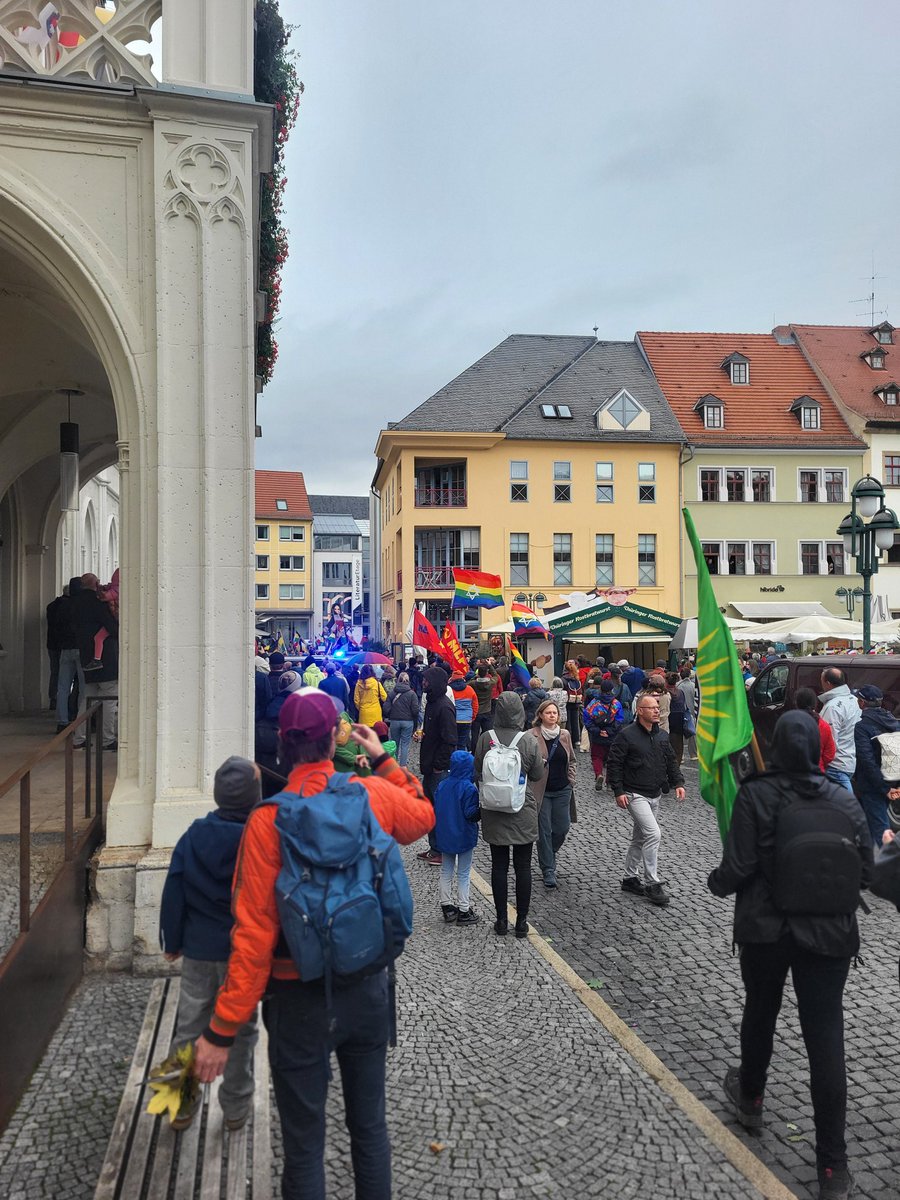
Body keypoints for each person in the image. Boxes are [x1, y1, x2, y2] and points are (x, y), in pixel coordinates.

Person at [193, 689, 435, 1200]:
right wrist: (383, 757)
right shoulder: (369, 794)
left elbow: (253, 937)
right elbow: (422, 817)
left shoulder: (265, 822)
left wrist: (222, 1029)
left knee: (304, 1146)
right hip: (367, 988)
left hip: (296, 998)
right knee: (369, 1128)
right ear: (333, 741)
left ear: (283, 743)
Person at [707, 712, 873, 1200]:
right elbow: (864, 871)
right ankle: (832, 1166)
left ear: (776, 744)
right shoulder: (844, 798)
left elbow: (737, 866)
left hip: (765, 928)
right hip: (829, 933)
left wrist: (716, 883)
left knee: (761, 1011)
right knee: (826, 1037)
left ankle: (752, 1096)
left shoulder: (756, 794)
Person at [159, 757, 262, 1130]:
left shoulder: (194, 834)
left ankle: (180, 1104)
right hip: (241, 952)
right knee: (243, 1028)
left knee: (188, 1024)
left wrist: (172, 938)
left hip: (200, 947)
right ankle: (235, 1106)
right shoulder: (257, 836)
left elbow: (175, 889)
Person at [473, 692, 545, 937]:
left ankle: (501, 920)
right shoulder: (527, 740)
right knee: (523, 866)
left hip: (493, 810)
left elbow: (477, 771)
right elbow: (536, 775)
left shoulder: (485, 738)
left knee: (499, 866)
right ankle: (522, 922)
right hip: (521, 809)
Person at [606, 692, 685, 907]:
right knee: (654, 834)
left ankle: (630, 878)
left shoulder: (661, 735)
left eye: (658, 707)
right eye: (652, 707)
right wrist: (618, 790)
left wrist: (678, 783)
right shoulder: (627, 735)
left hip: (655, 793)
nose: (657, 710)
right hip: (634, 793)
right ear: (640, 711)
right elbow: (614, 763)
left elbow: (670, 760)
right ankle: (652, 883)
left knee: (640, 838)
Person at [529, 699, 577, 889]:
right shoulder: (531, 736)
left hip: (562, 789)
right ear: (540, 715)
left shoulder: (564, 734)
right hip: (541, 791)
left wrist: (571, 780)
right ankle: (548, 868)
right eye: (548, 712)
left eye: (554, 713)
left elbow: (572, 760)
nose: (552, 715)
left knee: (562, 828)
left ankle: (549, 853)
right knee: (544, 831)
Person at [433, 750, 481, 926]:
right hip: (463, 835)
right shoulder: (469, 788)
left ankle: (446, 906)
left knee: (446, 870)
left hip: (445, 834)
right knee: (463, 872)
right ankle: (464, 909)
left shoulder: (443, 785)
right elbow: (470, 814)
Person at [72, 572, 118, 750]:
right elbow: (110, 625)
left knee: (87, 699)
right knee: (109, 697)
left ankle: (79, 738)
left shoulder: (75, 603)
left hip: (86, 656)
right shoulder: (98, 602)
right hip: (105, 657)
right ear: (96, 583)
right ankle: (107, 740)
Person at [418, 665, 458, 866]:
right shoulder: (432, 703)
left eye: (425, 680)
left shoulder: (444, 706)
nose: (423, 682)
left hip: (437, 769)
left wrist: (438, 765)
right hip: (429, 766)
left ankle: (442, 851)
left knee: (440, 811)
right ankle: (434, 848)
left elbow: (450, 739)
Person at [852, 683, 900, 847]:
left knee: (881, 831)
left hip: (874, 786)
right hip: (891, 781)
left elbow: (866, 761)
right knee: (873, 823)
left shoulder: (862, 727)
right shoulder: (893, 721)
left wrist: (883, 787)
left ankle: (888, 868)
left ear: (862, 703)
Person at [818, 668, 860, 793]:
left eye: (822, 681)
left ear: (828, 683)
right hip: (849, 760)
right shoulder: (853, 700)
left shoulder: (833, 707)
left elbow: (828, 741)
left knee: (845, 808)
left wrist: (823, 764)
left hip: (835, 765)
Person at [51, 577, 83, 732]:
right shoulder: (83, 605)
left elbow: (56, 627)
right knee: (83, 687)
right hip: (81, 648)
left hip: (65, 648)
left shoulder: (62, 607)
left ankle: (62, 721)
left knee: (63, 686)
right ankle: (81, 721)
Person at [584, 679, 624, 790]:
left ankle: (599, 774)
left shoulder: (594, 703)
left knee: (597, 756)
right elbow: (619, 720)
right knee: (612, 758)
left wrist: (597, 731)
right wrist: (610, 731)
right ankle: (609, 781)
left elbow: (587, 718)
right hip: (612, 736)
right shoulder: (616, 704)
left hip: (597, 735)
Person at [795, 687, 836, 775]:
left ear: (797, 703)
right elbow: (830, 754)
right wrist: (820, 762)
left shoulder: (789, 722)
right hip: (817, 772)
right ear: (815, 703)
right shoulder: (824, 725)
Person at [383, 672, 419, 767]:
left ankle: (394, 764)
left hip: (394, 721)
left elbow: (386, 708)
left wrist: (392, 714)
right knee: (405, 744)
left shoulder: (392, 693)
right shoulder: (412, 694)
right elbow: (415, 710)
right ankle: (403, 766)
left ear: (398, 680)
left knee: (395, 743)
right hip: (408, 721)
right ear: (408, 681)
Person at [449, 671, 479, 750]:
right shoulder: (470, 689)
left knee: (452, 742)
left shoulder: (449, 690)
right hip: (466, 719)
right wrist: (472, 717)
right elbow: (475, 705)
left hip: (453, 719)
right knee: (462, 743)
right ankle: (460, 760)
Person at [470, 662, 499, 743]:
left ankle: (474, 750)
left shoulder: (473, 683)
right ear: (486, 673)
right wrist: (490, 665)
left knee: (474, 734)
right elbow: (496, 676)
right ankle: (486, 749)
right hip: (487, 710)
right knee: (487, 734)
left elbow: (467, 683)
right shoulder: (490, 683)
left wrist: (474, 678)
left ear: (478, 673)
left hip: (476, 711)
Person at [255, 650, 287, 721]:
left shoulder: (263, 681)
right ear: (283, 665)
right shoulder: (289, 682)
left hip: (264, 722)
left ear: (269, 665)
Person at [676, 665, 697, 760]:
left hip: (680, 712)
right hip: (692, 712)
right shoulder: (694, 686)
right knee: (692, 733)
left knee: (680, 734)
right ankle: (693, 754)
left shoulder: (677, 686)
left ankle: (681, 755)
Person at [561, 659, 583, 740]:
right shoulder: (576, 678)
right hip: (576, 702)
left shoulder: (563, 679)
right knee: (575, 721)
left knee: (568, 723)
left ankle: (569, 739)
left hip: (567, 703)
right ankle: (576, 739)